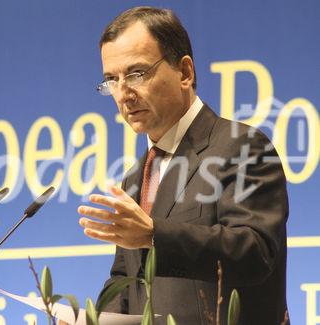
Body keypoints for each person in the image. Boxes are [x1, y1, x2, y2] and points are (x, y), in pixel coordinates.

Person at [66, 6, 289, 325]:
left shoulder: (241, 146)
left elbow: (255, 252)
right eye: (112, 80)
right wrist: (90, 320)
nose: (124, 94)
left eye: (136, 73)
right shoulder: (135, 177)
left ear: (185, 73)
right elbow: (126, 279)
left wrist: (155, 235)